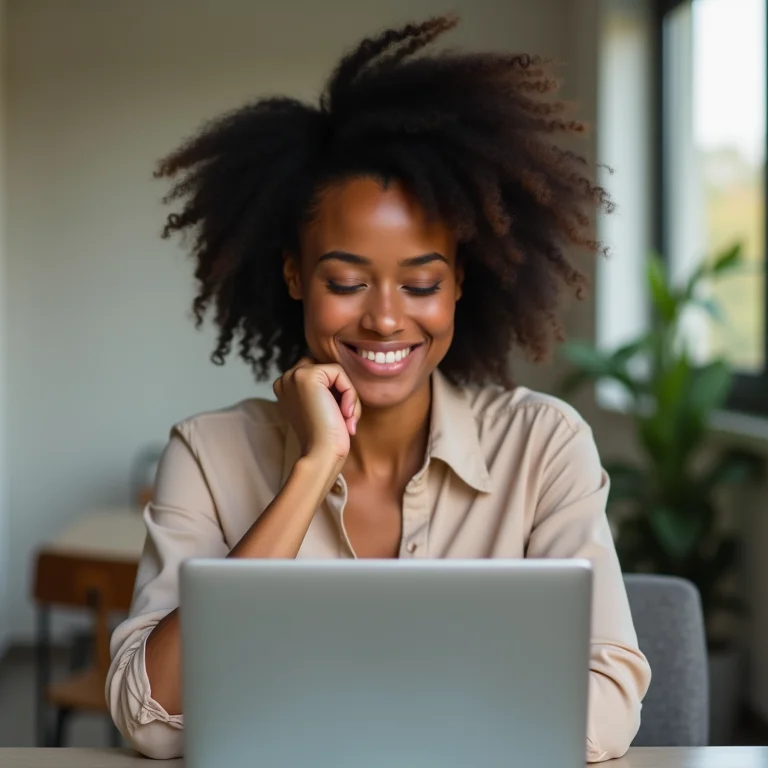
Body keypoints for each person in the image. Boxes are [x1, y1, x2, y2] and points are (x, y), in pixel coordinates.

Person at [107, 15, 651, 761]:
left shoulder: (544, 447)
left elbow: (608, 705)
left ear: (460, 282)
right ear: (296, 277)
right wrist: (311, 472)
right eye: (346, 281)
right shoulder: (207, 454)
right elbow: (148, 715)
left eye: (421, 282)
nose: (387, 317)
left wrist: (328, 721)